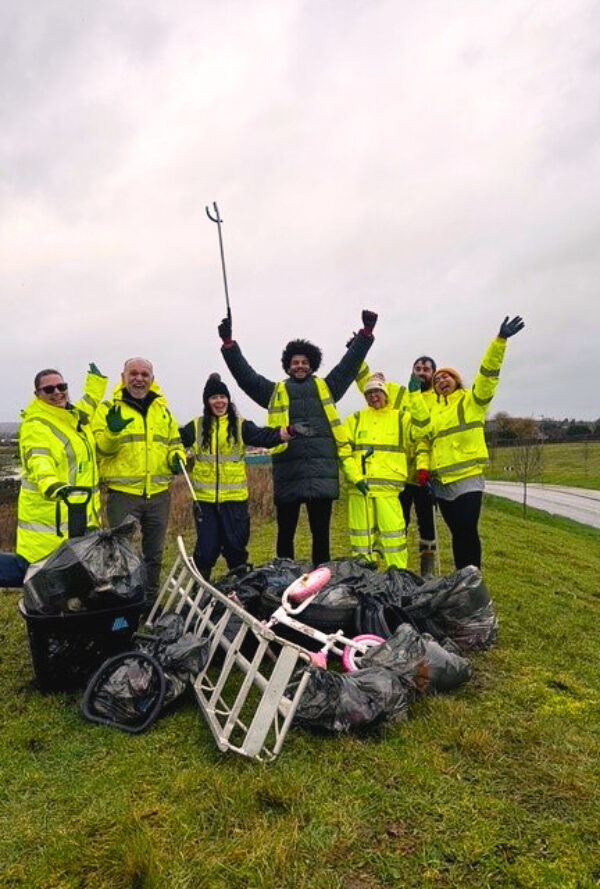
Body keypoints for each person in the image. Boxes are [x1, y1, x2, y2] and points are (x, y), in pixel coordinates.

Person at [218, 310, 377, 566]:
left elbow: (348, 366)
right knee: (285, 534)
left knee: (321, 535)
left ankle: (320, 580)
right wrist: (229, 345)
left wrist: (365, 335)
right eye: (295, 362)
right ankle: (284, 576)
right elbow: (246, 378)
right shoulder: (275, 391)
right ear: (288, 366)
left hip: (321, 474)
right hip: (288, 472)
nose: (300, 366)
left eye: (304, 362)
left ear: (312, 365)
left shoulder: (328, 387)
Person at [179, 373, 309, 580]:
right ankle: (199, 591)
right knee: (206, 549)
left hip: (235, 501)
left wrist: (290, 431)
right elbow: (174, 440)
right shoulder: (197, 426)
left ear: (228, 400)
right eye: (214, 397)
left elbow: (264, 436)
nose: (219, 401)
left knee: (235, 549)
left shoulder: (240, 425)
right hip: (205, 501)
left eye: (223, 397)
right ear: (207, 401)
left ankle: (239, 589)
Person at [426, 315, 525, 569]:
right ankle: (463, 578)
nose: (441, 381)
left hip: (468, 479)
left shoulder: (473, 401)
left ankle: (473, 578)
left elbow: (488, 375)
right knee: (457, 533)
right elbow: (428, 444)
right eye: (437, 380)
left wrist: (499, 341)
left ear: (457, 380)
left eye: (446, 377)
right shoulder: (434, 413)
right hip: (442, 483)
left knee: (467, 529)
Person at [0, 364, 107, 587]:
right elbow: (39, 461)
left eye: (62, 386)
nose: (57, 392)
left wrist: (95, 384)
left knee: (71, 584)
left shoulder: (71, 417)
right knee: (42, 583)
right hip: (51, 521)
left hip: (78, 518)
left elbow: (87, 407)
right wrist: (53, 485)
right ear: (37, 395)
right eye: (49, 390)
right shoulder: (36, 425)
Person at [92, 358, 185, 604]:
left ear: (152, 379)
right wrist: (113, 433)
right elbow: (102, 449)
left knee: (153, 554)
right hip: (123, 495)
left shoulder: (163, 411)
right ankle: (123, 602)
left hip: (158, 494)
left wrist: (177, 458)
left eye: (145, 374)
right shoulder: (107, 409)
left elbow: (174, 444)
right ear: (123, 376)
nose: (139, 379)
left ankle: (149, 600)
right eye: (133, 373)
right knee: (120, 553)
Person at [355, 354, 438, 576]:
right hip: (398, 474)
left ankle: (427, 569)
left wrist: (424, 465)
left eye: (426, 369)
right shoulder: (398, 392)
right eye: (417, 368)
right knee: (397, 524)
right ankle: (395, 568)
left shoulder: (436, 398)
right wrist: (358, 354)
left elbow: (425, 434)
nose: (421, 372)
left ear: (433, 374)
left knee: (427, 525)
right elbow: (369, 384)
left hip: (423, 472)